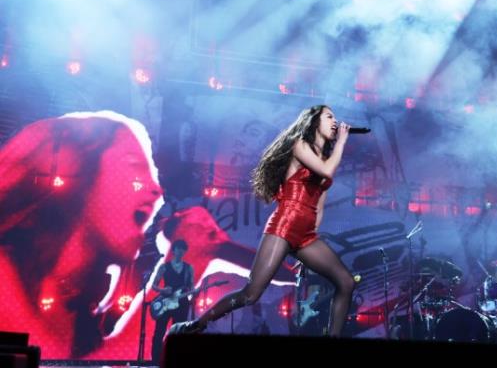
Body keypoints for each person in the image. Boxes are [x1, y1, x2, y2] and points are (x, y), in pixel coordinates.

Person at [169, 105, 355, 337]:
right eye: (330, 117)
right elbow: (326, 172)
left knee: (346, 282)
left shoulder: (326, 158)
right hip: (285, 225)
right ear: (314, 122)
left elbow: (319, 202)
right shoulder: (300, 145)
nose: (335, 122)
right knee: (250, 294)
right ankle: (196, 325)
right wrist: (342, 142)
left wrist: (308, 247)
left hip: (306, 234)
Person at [0, 111, 163, 358]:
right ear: (83, 169)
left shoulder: (80, 303)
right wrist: (192, 258)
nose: (155, 189)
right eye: (135, 166)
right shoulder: (4, 271)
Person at [151, 239, 195, 363]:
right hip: (165, 302)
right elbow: (154, 285)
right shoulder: (164, 267)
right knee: (159, 332)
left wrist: (194, 293)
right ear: (173, 250)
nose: (180, 251)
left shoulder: (188, 268)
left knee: (179, 332)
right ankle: (155, 361)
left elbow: (192, 287)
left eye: (183, 249)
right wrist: (163, 290)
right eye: (178, 248)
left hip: (181, 303)